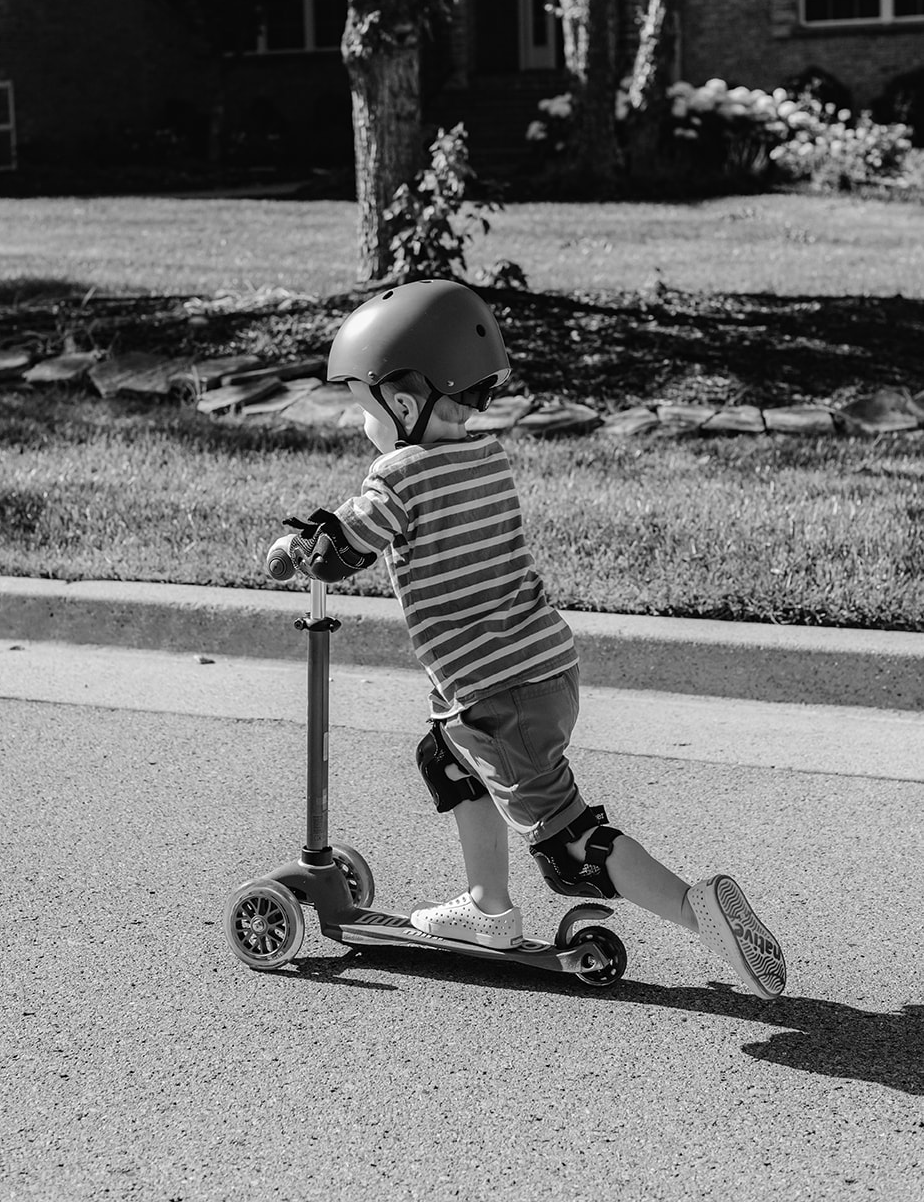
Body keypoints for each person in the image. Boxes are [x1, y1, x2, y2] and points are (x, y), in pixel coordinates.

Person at [279, 279, 786, 1000]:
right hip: (540, 665)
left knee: (565, 841)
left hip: (497, 689)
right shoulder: (485, 461)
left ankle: (695, 911)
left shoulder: (397, 473)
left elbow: (350, 539)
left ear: (400, 403)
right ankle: (486, 909)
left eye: (364, 408)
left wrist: (301, 550)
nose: (363, 427)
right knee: (444, 755)